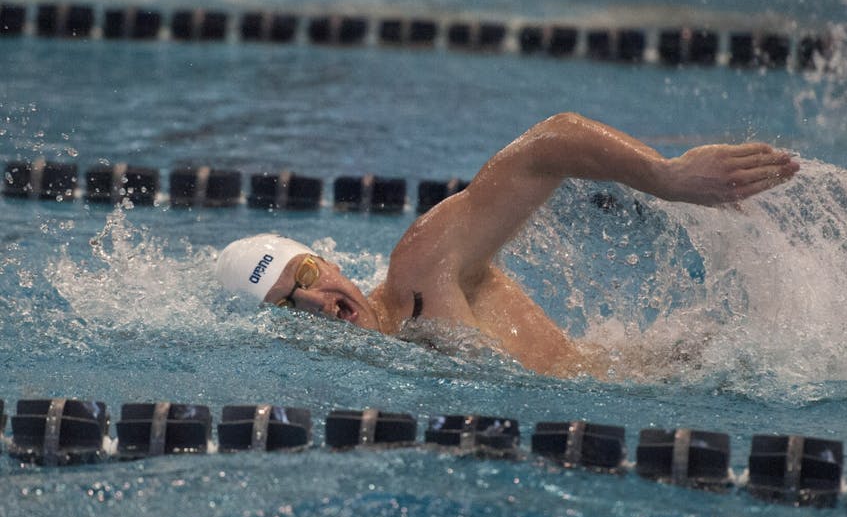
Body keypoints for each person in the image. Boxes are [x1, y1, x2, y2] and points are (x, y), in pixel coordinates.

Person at [216, 112, 799, 376]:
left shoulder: (420, 270)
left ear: (329, 261)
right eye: (290, 303)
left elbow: (548, 144)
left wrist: (664, 177)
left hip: (689, 368)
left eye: (308, 277)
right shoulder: (377, 366)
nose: (315, 302)